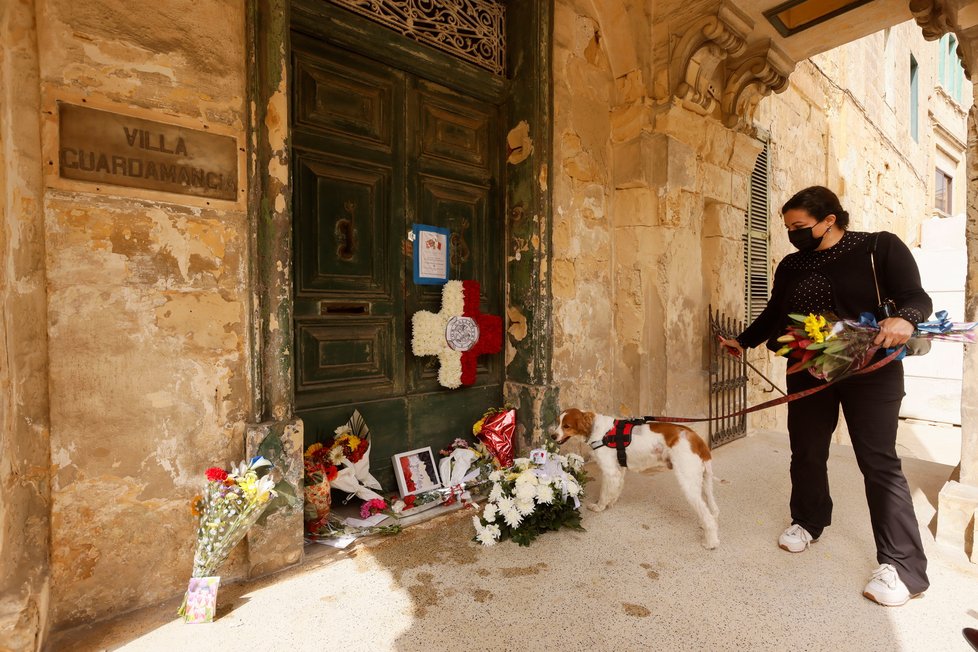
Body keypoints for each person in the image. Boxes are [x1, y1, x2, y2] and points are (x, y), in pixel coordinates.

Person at [719, 185, 931, 607]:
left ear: (829, 219)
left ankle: (903, 567)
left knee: (879, 462)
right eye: (788, 228)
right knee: (807, 450)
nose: (792, 234)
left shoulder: (878, 247)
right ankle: (808, 521)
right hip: (810, 368)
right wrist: (743, 341)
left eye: (799, 226)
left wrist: (905, 320)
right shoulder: (792, 264)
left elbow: (916, 298)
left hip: (871, 370)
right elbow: (776, 312)